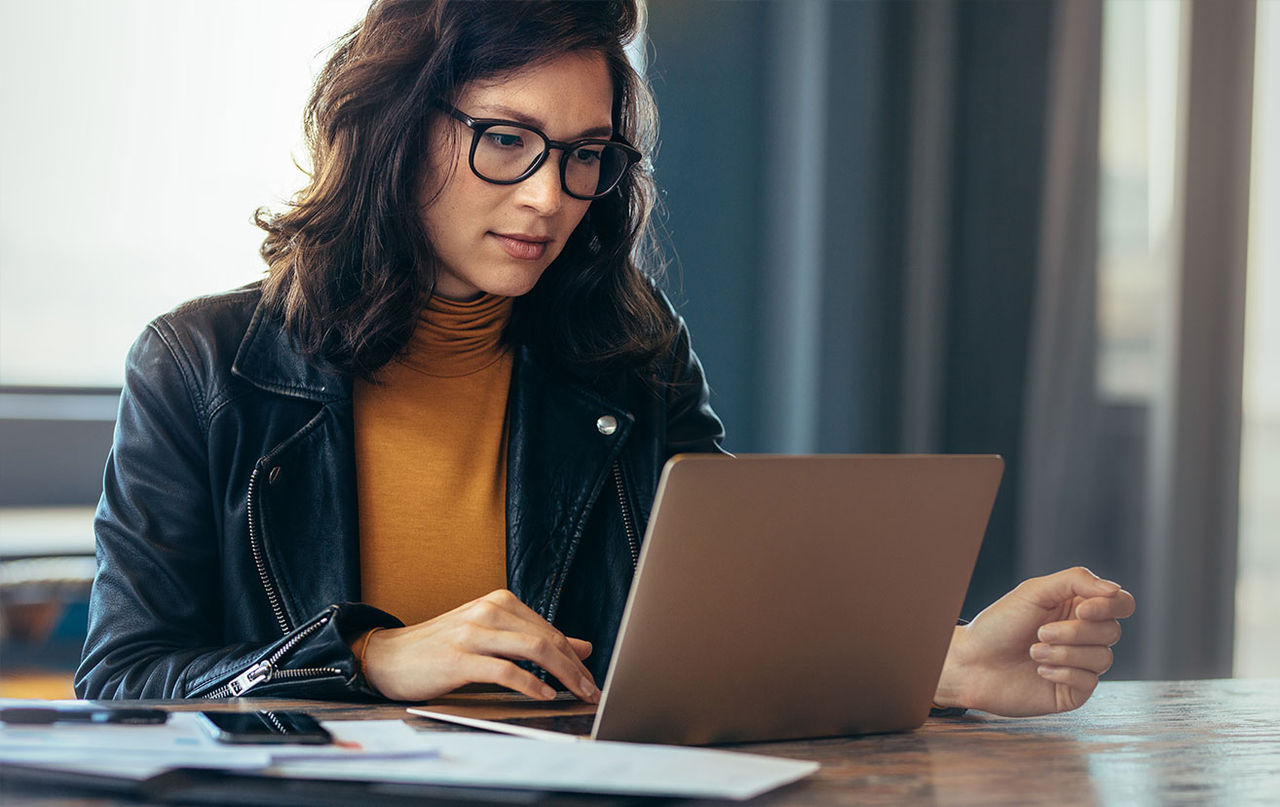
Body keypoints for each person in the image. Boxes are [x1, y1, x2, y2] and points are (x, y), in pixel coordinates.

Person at [75, 0, 1134, 718]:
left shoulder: (627, 346)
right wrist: (365, 659)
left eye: (584, 155)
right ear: (392, 127)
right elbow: (123, 680)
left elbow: (722, 622)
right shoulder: (203, 365)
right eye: (505, 139)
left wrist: (942, 661)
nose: (548, 196)